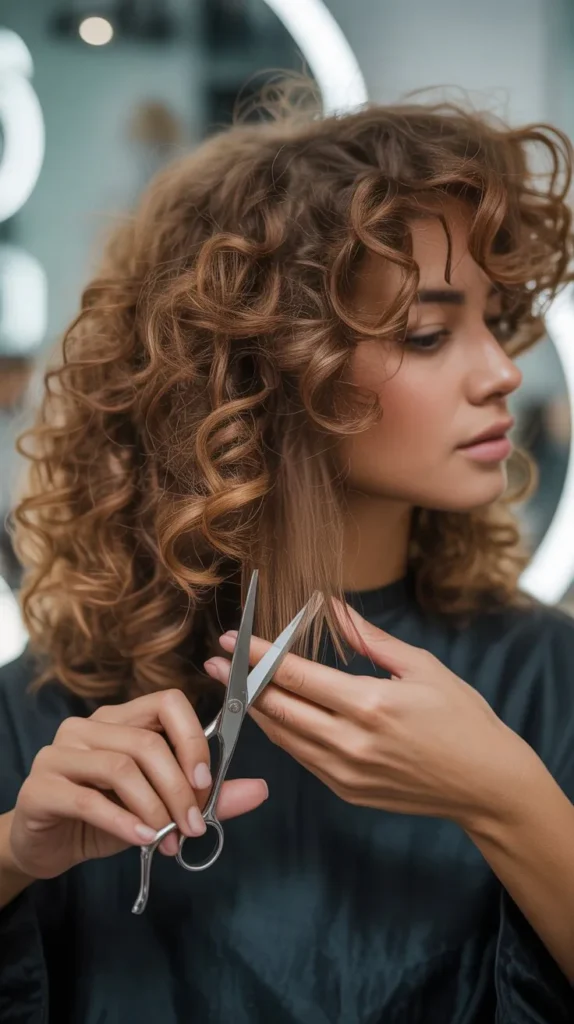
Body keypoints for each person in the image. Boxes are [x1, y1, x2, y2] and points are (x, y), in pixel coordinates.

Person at [1, 80, 574, 1024]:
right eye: (430, 333)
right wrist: (15, 852)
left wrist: (509, 800)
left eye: (493, 319)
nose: (503, 369)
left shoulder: (550, 683)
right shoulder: (57, 711)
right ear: (267, 372)